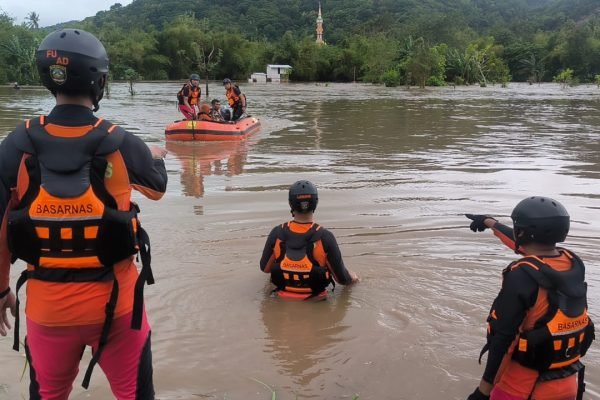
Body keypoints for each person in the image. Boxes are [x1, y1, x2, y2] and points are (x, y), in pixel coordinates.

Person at [0, 28, 168, 399]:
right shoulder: (121, 141)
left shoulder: (15, 145)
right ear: (99, 80)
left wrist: (0, 292)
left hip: (47, 313)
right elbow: (157, 189)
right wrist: (154, 155)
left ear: (47, 78)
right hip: (118, 308)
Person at [465, 197, 594, 400]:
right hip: (570, 383)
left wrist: (482, 391)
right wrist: (489, 222)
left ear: (522, 232)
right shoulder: (573, 263)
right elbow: (525, 245)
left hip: (522, 388)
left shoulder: (520, 276)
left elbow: (503, 339)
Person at [259, 180, 359, 300]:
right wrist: (354, 278)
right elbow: (342, 280)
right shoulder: (325, 237)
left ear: (291, 204)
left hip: (281, 299)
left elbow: (265, 268)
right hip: (317, 302)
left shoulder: (277, 233)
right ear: (315, 203)